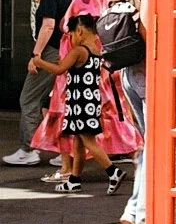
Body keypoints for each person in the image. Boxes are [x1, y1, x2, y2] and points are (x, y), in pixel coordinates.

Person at [32, 14, 127, 195]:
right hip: (89, 101)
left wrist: (39, 61)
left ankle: (113, 171)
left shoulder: (79, 51)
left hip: (80, 103)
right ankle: (74, 180)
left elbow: (60, 69)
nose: (72, 39)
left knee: (88, 141)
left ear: (80, 31)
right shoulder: (96, 51)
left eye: (72, 34)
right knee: (78, 142)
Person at [3, 0, 79, 167]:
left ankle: (29, 149)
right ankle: (62, 151)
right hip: (66, 51)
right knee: (57, 103)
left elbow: (48, 25)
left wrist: (36, 55)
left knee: (28, 98)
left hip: (51, 52)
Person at [118, 0, 149, 224]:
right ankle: (142, 218)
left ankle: (132, 208)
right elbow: (152, 36)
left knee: (147, 145)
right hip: (148, 77)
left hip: (131, 75)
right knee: (155, 148)